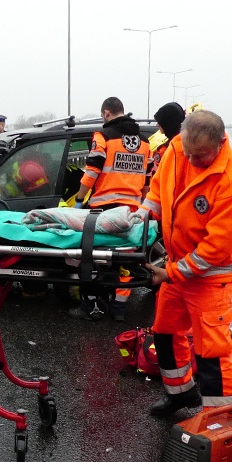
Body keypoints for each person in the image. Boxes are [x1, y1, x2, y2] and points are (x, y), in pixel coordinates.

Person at [135, 110, 232, 414]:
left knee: (211, 351)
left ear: (220, 144)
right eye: (187, 151)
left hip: (210, 279)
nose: (191, 161)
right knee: (164, 333)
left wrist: (169, 273)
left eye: (199, 156)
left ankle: (221, 418)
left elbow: (212, 252)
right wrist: (143, 215)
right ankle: (181, 394)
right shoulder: (178, 149)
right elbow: (158, 192)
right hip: (177, 269)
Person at [68, 97, 151, 321]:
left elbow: (92, 171)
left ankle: (93, 306)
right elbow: (147, 179)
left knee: (94, 257)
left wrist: (79, 198)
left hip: (104, 209)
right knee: (125, 262)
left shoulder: (102, 136)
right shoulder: (144, 142)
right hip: (132, 210)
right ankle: (119, 309)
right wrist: (143, 206)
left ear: (106, 112)